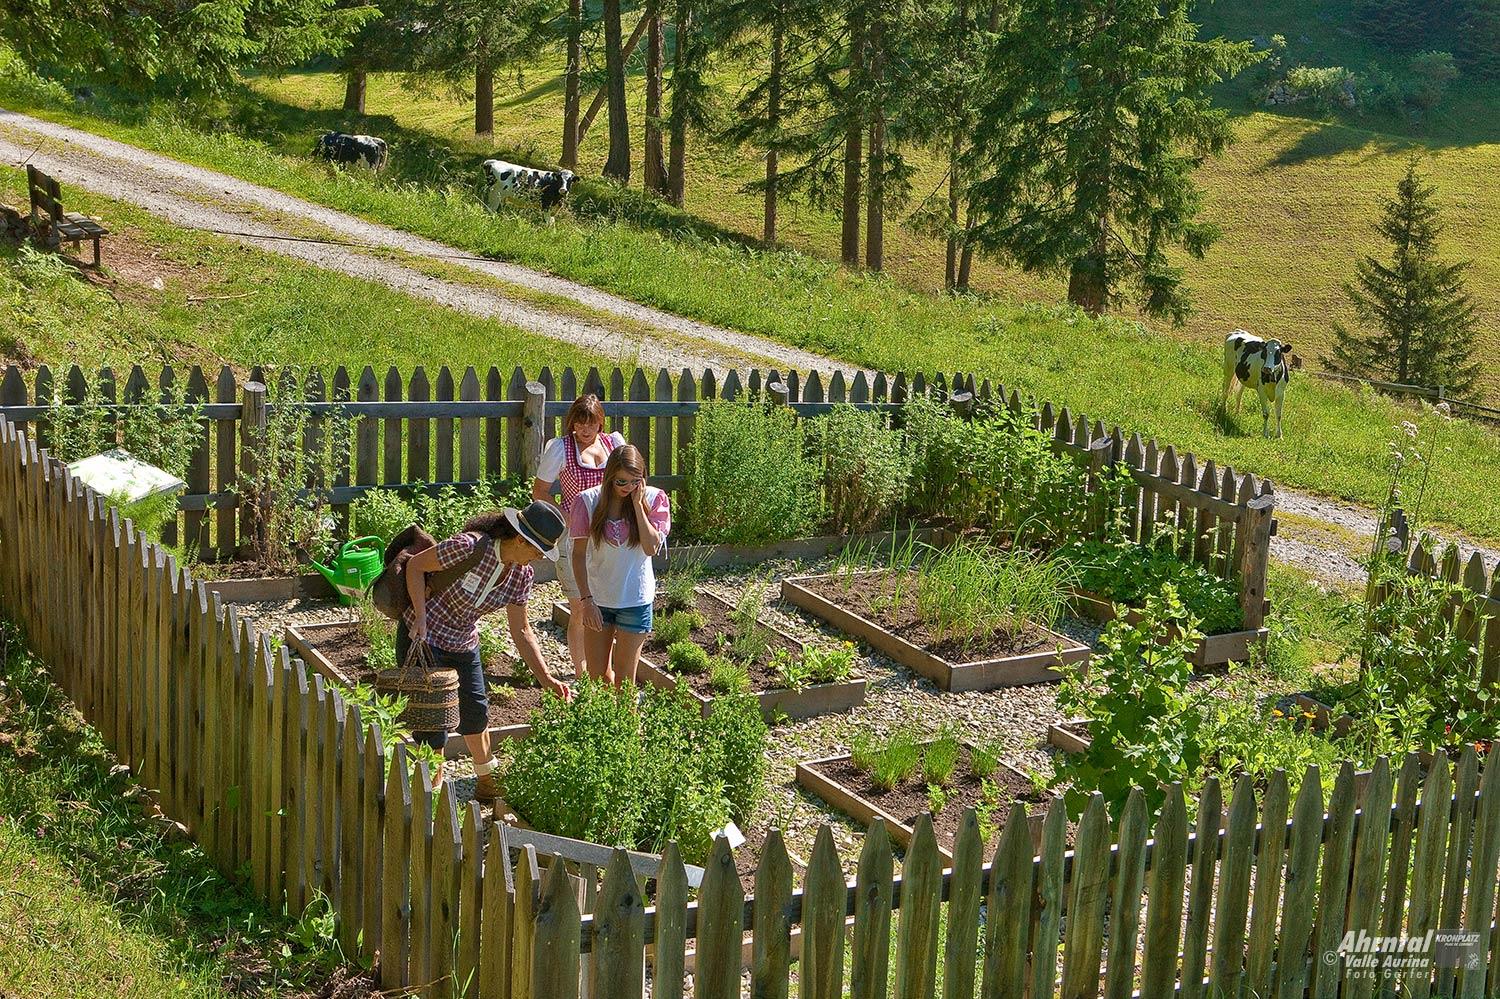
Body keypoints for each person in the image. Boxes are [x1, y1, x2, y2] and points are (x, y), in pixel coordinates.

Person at [401, 500, 570, 799]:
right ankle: (430, 790)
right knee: (433, 724)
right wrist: (422, 617)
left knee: (476, 713)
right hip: (425, 637)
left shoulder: (521, 575)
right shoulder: (469, 547)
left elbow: (521, 630)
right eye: (537, 551)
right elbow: (415, 567)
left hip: (463, 641)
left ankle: (486, 780)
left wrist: (546, 678)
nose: (538, 559)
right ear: (520, 540)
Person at [532, 394, 625, 674]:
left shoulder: (614, 445)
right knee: (580, 608)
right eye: (579, 424)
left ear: (600, 423)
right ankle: (582, 673)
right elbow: (540, 491)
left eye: (591, 423)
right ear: (572, 423)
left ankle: (605, 669)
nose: (585, 430)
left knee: (608, 606)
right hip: (574, 539)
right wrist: (566, 514)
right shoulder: (561, 449)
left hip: (609, 536)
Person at [569, 445, 670, 686]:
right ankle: (607, 723)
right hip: (598, 600)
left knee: (625, 682)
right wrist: (586, 600)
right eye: (621, 482)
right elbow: (578, 555)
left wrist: (637, 506)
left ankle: (629, 723)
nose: (627, 488)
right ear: (610, 477)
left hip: (635, 601)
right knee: (598, 677)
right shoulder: (588, 501)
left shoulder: (655, 499)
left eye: (635, 482)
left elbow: (650, 547)